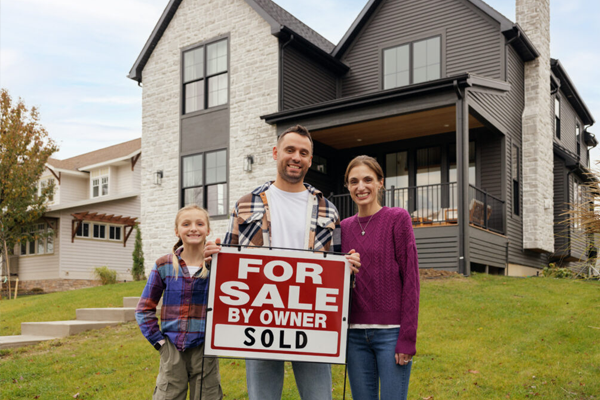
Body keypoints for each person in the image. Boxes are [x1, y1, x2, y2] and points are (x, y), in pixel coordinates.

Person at [205, 125, 360, 400]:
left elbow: (337, 268)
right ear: (276, 153)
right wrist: (212, 259)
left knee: (319, 397)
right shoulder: (245, 204)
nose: (296, 157)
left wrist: (348, 268)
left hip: (312, 321)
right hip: (259, 319)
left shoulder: (328, 209)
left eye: (303, 152)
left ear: (310, 160)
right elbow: (226, 265)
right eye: (290, 150)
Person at [341, 155, 420, 400]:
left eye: (368, 179)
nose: (361, 186)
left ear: (380, 183)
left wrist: (407, 338)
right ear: (348, 187)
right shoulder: (341, 227)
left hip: (391, 334)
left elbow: (411, 281)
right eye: (354, 181)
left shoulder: (397, 219)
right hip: (354, 335)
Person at [136, 205, 223, 400]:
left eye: (199, 224)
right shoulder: (163, 265)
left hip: (205, 348)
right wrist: (160, 343)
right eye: (186, 224)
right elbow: (144, 309)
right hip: (172, 347)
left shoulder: (218, 264)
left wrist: (219, 259)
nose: (193, 228)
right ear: (177, 231)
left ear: (208, 230)